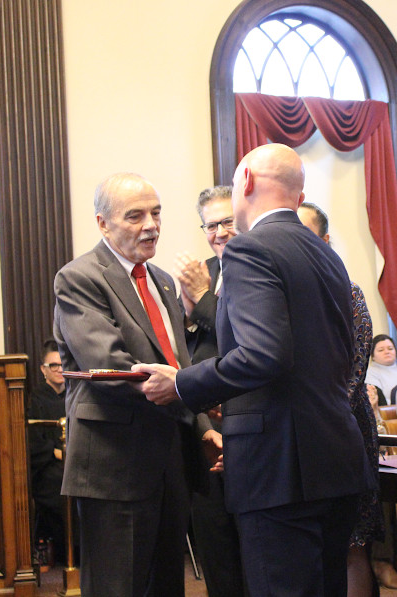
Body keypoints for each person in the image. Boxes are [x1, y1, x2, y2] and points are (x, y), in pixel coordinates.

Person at [135, 143, 372, 597]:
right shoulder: (326, 253)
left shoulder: (250, 250)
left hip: (279, 468)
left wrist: (182, 383)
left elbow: (264, 354)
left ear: (245, 181)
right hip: (334, 458)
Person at [53, 172, 200, 596]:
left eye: (156, 213)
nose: (151, 225)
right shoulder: (79, 277)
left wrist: (205, 427)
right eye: (135, 216)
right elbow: (108, 365)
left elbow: (179, 361)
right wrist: (188, 390)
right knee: (117, 587)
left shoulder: (163, 281)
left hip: (170, 459)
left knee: (166, 584)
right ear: (103, 223)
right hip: (114, 465)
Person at [297, 200, 384, 597]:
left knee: (351, 543)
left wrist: (310, 424)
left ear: (325, 240)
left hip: (343, 431)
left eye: (305, 235)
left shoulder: (348, 292)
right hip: (300, 436)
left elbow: (353, 373)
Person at [174, 185, 247, 597]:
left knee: (256, 557)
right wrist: (188, 315)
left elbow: (246, 345)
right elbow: (181, 352)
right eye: (211, 225)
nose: (220, 232)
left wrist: (202, 301)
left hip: (251, 430)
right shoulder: (200, 273)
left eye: (227, 221)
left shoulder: (258, 267)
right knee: (216, 554)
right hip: (205, 431)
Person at [26, 339, 69, 564]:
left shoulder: (74, 395)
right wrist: (55, 452)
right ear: (44, 370)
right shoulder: (35, 399)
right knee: (61, 487)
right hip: (47, 468)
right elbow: (32, 443)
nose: (60, 370)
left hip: (73, 463)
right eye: (54, 365)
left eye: (63, 364)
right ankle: (66, 554)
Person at [364, 335, 397, 404]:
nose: (387, 352)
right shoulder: (369, 373)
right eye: (381, 350)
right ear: (372, 355)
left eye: (390, 349)